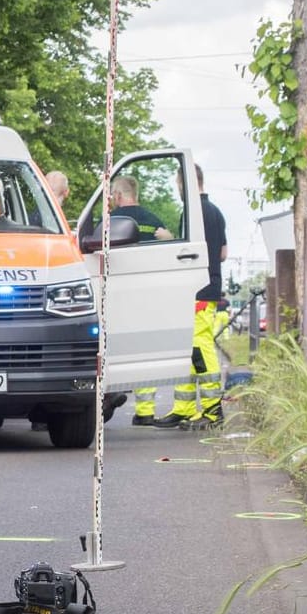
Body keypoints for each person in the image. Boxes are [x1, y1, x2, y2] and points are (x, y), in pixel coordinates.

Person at [153, 164, 228, 430]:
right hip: (206, 287)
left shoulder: (196, 213)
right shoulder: (215, 212)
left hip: (199, 288)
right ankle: (184, 408)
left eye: (177, 185)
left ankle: (212, 408)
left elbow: (189, 250)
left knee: (199, 347)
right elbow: (222, 253)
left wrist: (168, 238)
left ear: (186, 182)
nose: (177, 191)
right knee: (189, 349)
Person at [107, 175, 176, 425]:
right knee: (143, 351)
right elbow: (168, 251)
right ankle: (145, 411)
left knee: (111, 347)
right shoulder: (153, 220)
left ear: (117, 195)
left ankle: (109, 393)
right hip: (147, 294)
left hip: (116, 293)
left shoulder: (109, 221)